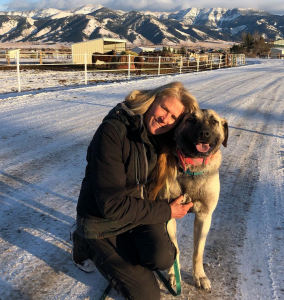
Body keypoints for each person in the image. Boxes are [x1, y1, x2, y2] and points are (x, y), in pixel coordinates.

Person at [71, 81, 199, 300]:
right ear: (152, 100)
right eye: (164, 108)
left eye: (174, 118)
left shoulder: (161, 136)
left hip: (135, 213)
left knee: (164, 258)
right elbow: (112, 205)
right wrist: (167, 212)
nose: (165, 119)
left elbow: (190, 147)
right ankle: (86, 243)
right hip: (102, 220)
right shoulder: (113, 131)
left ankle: (124, 251)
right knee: (148, 297)